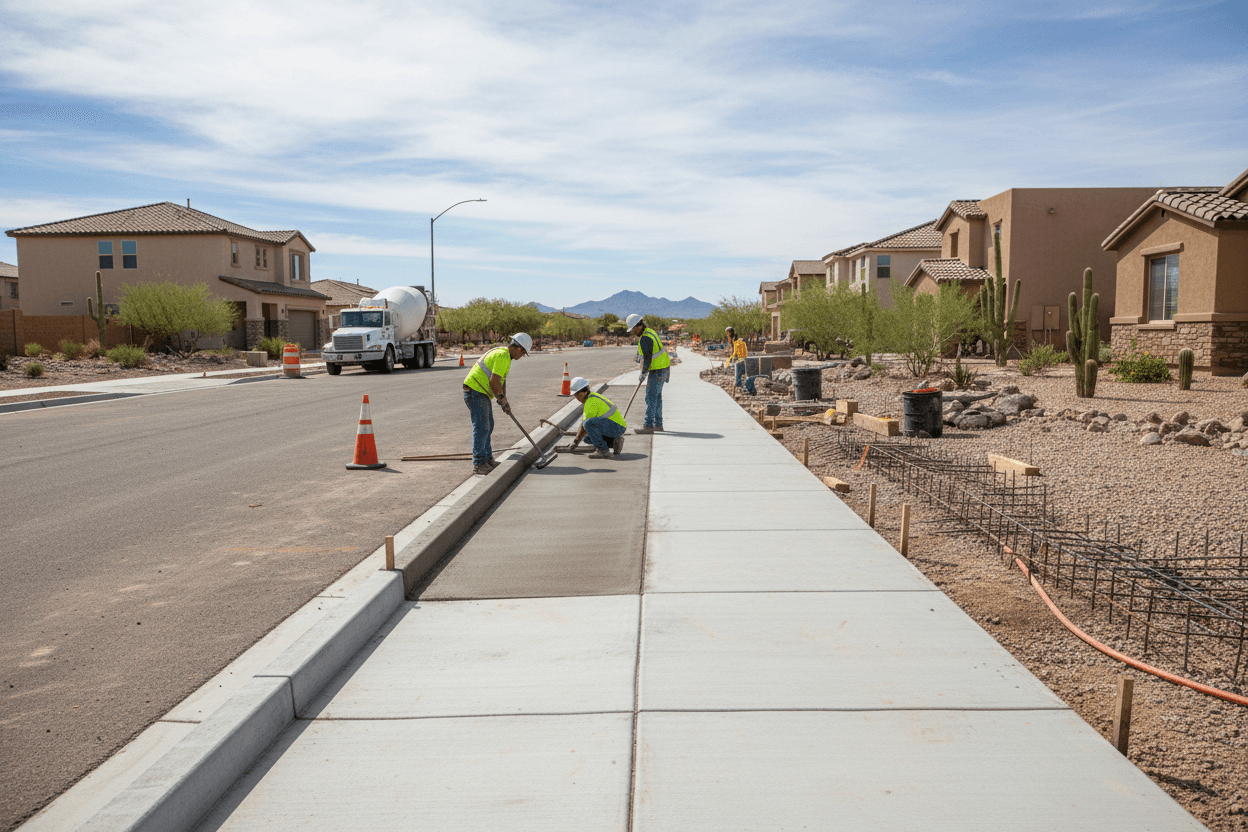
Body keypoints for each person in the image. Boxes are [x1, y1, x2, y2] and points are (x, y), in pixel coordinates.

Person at [462, 332, 532, 475]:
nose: (522, 357)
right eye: (523, 353)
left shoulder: (505, 356)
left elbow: (500, 381)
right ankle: (479, 463)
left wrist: (503, 399)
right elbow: (494, 382)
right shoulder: (502, 356)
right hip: (475, 392)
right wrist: (501, 399)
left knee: (488, 426)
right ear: (519, 349)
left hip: (481, 393)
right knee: (482, 427)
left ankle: (488, 459)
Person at [625, 314, 670, 433]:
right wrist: (643, 372)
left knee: (650, 397)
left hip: (658, 370)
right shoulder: (649, 332)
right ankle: (658, 424)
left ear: (639, 325)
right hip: (663, 368)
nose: (633, 331)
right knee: (657, 398)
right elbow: (643, 357)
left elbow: (648, 359)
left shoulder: (645, 338)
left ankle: (648, 425)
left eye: (634, 328)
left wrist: (643, 373)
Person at [567, 376, 626, 460]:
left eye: (575, 395)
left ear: (581, 393)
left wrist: (575, 442)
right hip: (616, 426)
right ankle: (614, 443)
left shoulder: (591, 403)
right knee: (587, 438)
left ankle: (603, 451)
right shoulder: (593, 396)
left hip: (617, 427)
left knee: (587, 424)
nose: (576, 398)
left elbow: (585, 425)